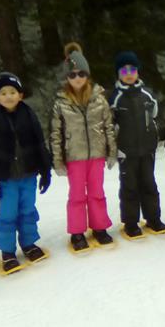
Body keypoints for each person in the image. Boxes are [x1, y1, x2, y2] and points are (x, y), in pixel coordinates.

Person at [0, 72, 51, 274]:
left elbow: (40, 143)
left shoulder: (29, 115)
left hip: (29, 174)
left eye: (12, 92)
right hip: (7, 177)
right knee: (8, 214)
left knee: (28, 210)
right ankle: (8, 252)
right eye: (3, 93)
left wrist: (45, 170)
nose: (8, 96)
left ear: (20, 95)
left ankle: (29, 244)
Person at [49, 43, 117, 252]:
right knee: (77, 195)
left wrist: (111, 151)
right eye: (72, 74)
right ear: (67, 78)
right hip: (74, 157)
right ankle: (77, 232)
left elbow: (108, 126)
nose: (77, 78)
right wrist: (58, 159)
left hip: (96, 155)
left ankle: (99, 227)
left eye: (81, 73)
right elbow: (55, 133)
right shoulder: (61, 103)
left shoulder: (99, 99)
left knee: (97, 192)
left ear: (87, 75)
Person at [109, 51, 165, 238]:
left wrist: (153, 138)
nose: (129, 73)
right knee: (129, 187)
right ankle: (131, 222)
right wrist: (114, 148)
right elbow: (109, 124)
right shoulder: (115, 98)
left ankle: (153, 219)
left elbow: (155, 114)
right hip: (126, 152)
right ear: (118, 73)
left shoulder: (146, 94)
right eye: (124, 70)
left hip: (147, 149)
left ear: (138, 72)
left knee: (149, 184)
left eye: (132, 69)